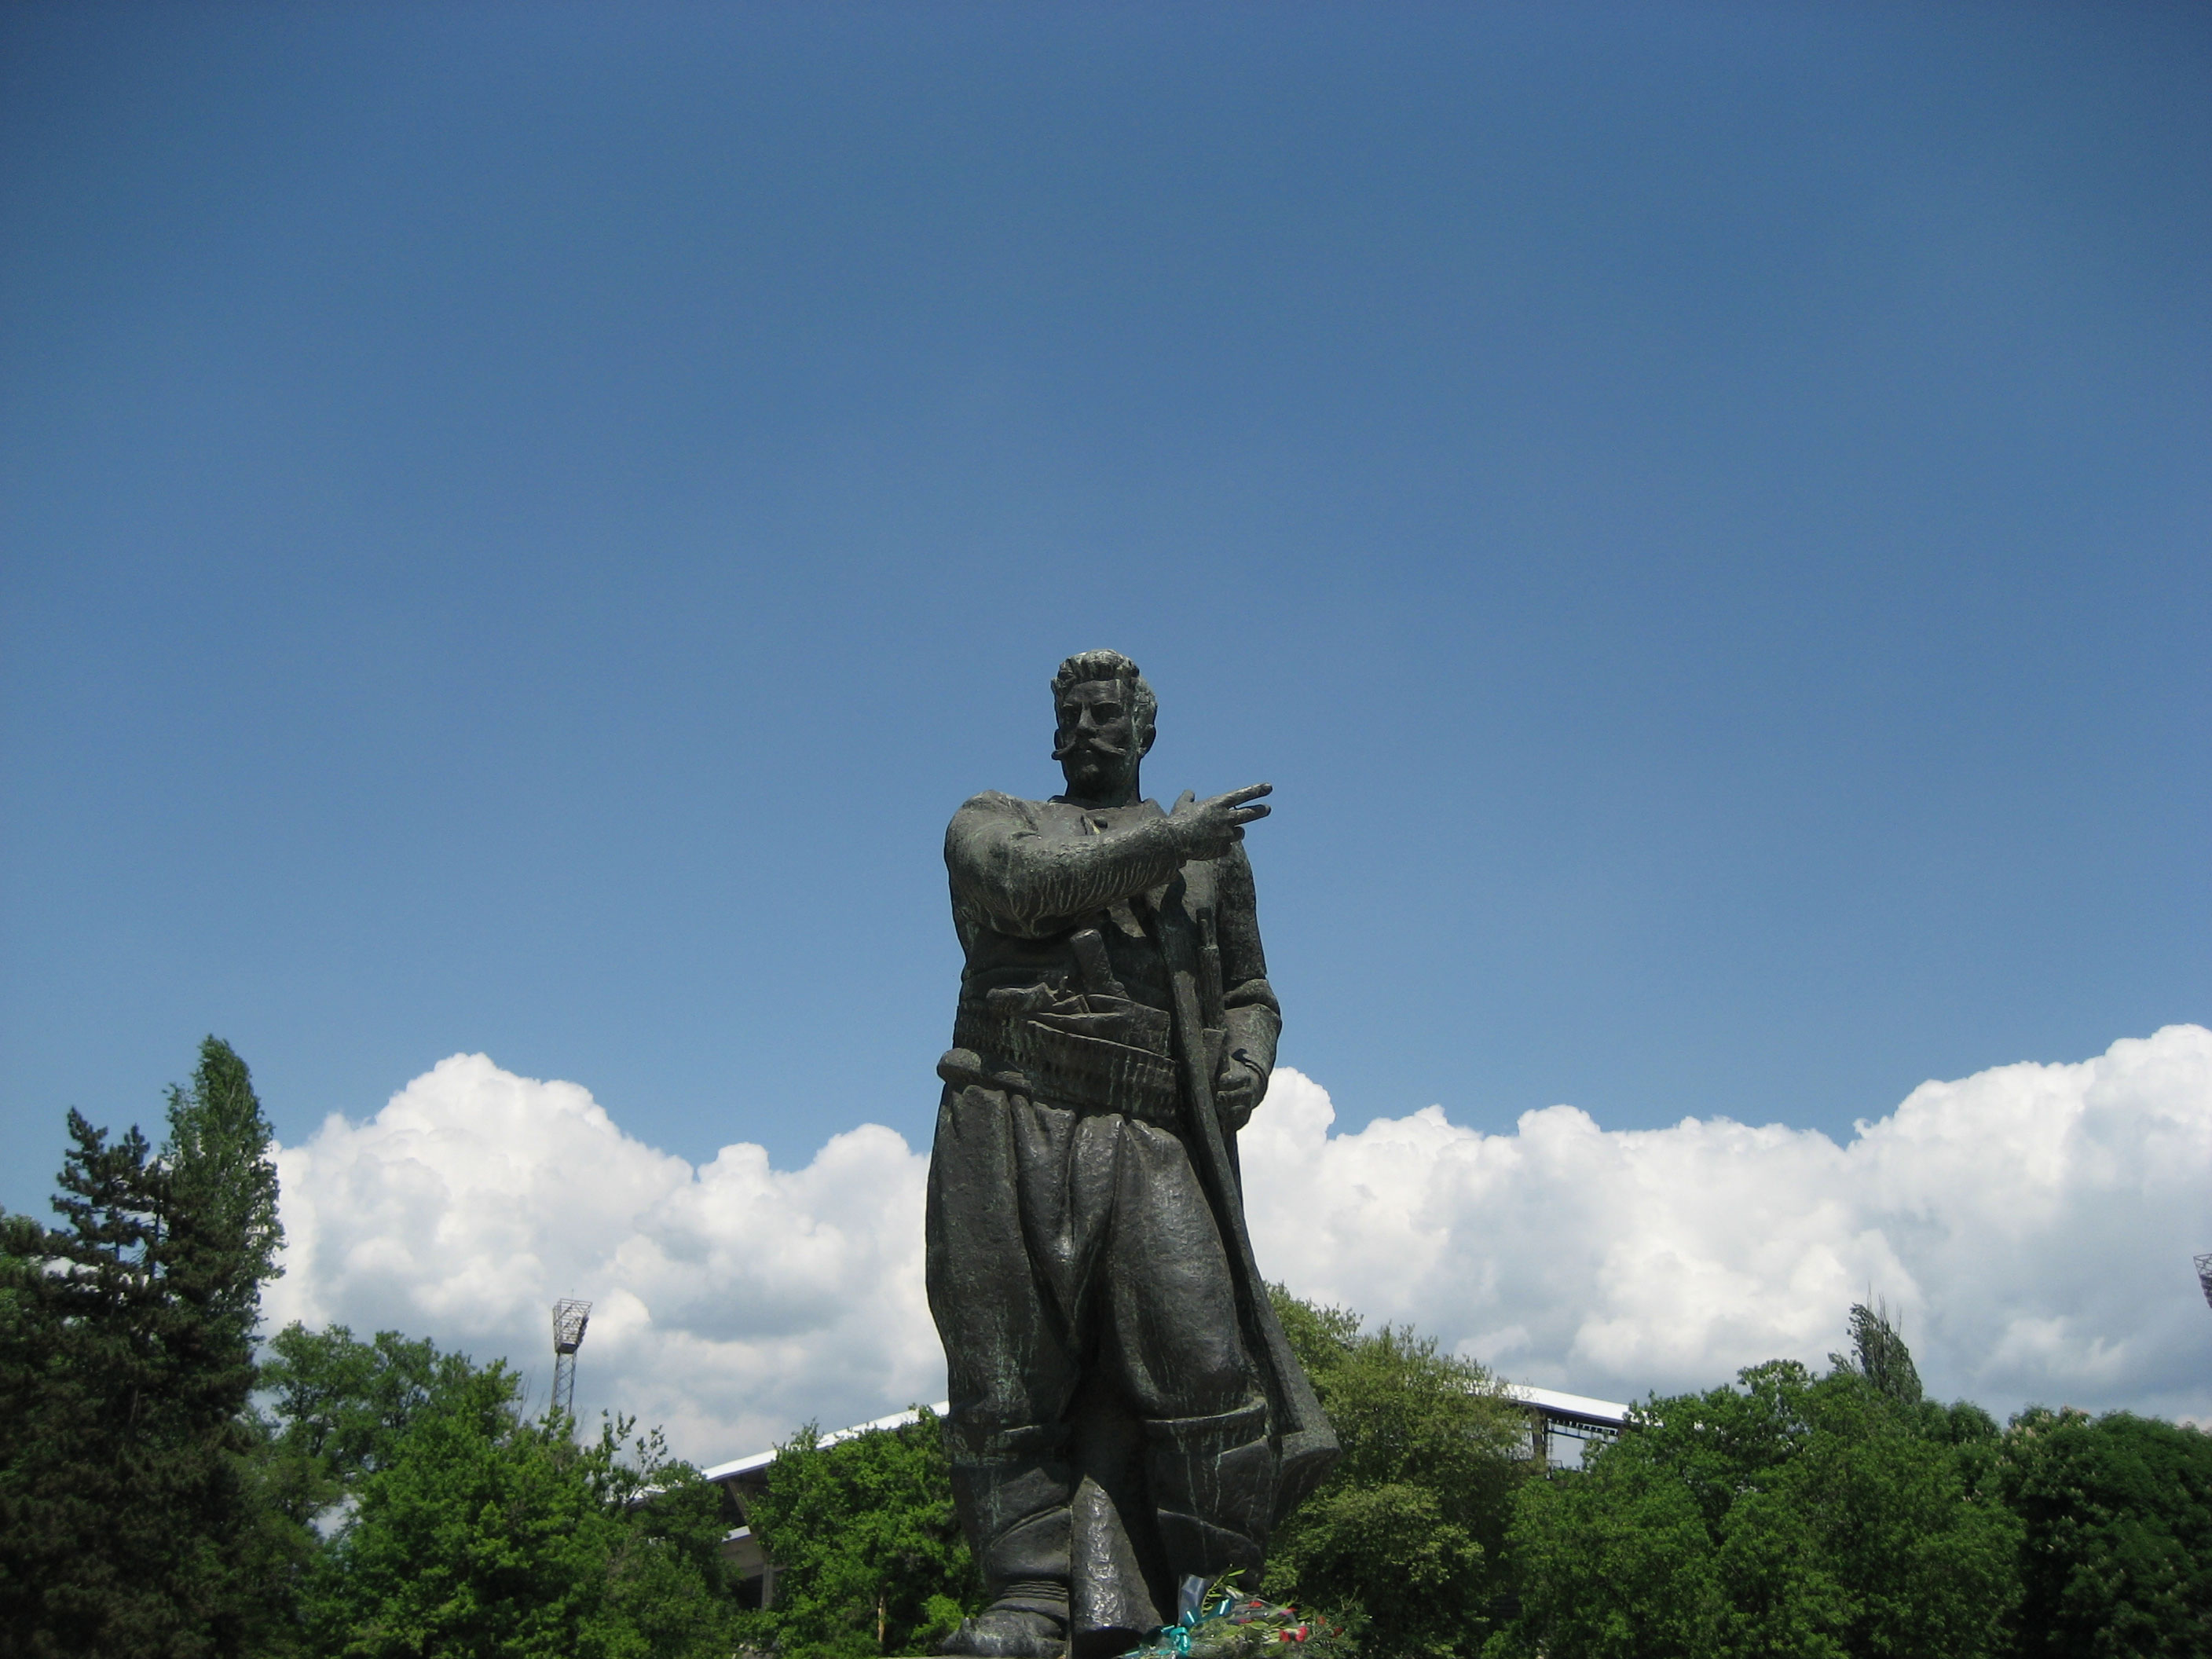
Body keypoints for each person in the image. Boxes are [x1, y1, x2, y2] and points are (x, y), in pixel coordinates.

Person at [927, 650, 1335, 1659]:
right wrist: (1169, 840)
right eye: (1071, 715)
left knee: (1201, 1364)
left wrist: (1248, 1057)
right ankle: (1029, 1600)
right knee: (1002, 1376)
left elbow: (1250, 988)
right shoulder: (995, 818)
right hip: (1008, 1103)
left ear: (1143, 731)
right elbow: (1020, 892)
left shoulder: (1208, 855)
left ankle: (1214, 1597)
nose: (1085, 732)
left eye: (1107, 717)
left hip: (1151, 1124)